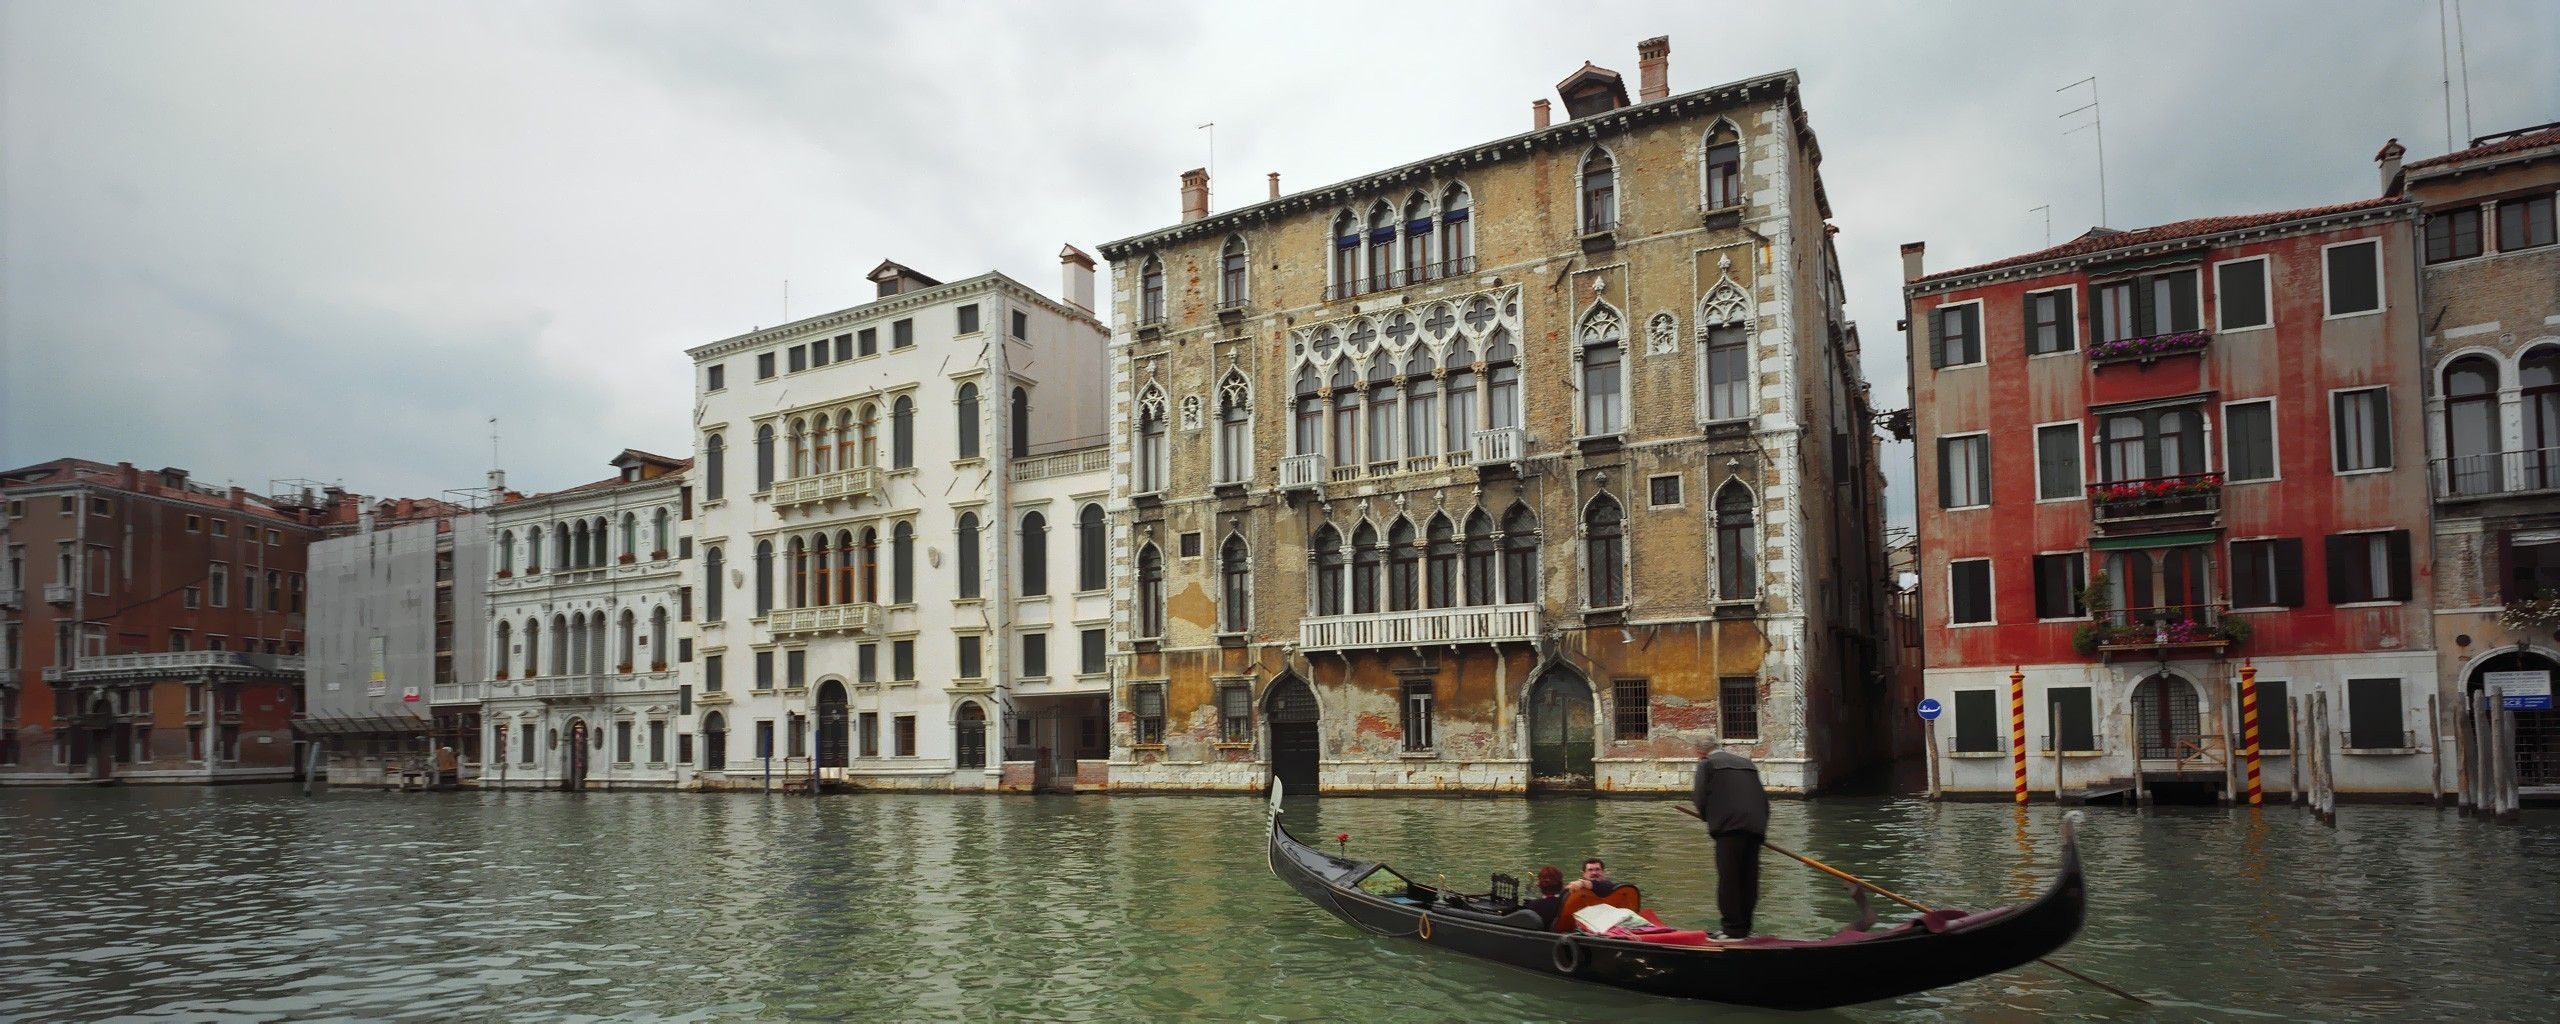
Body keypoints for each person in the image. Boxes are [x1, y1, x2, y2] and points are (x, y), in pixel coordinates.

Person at [1694, 747, 1771, 938]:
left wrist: (1708, 818)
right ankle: (1744, 927)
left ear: (1700, 752)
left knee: (1729, 879)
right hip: (1755, 826)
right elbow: (1763, 799)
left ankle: (1732, 929)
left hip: (1729, 827)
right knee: (1748, 879)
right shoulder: (1748, 764)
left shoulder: (1707, 764)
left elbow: (1700, 797)